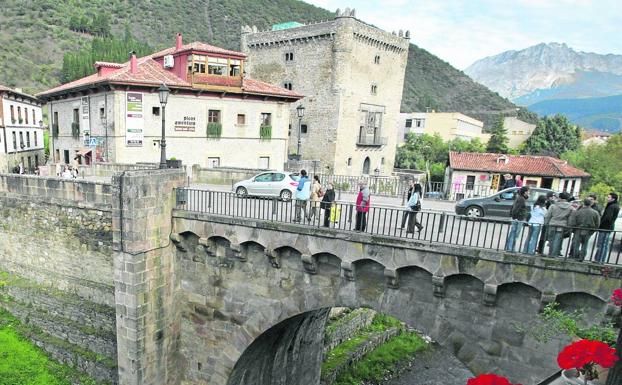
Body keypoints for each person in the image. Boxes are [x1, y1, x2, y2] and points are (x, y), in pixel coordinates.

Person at [544, 192, 574, 257]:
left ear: (560, 198)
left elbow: (548, 216)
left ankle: (550, 253)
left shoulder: (553, 206)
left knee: (551, 239)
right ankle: (554, 254)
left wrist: (546, 223)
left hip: (552, 224)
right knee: (558, 240)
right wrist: (568, 226)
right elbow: (570, 218)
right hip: (562, 225)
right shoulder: (570, 208)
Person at [594, 192, 620, 263]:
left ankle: (599, 260)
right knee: (604, 244)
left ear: (613, 199)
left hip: (605, 227)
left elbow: (608, 218)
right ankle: (600, 259)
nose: (607, 198)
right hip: (608, 227)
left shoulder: (612, 206)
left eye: (608, 197)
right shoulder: (614, 205)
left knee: (602, 244)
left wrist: (601, 223)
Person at [505, 186, 530, 252]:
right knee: (515, 234)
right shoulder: (521, 199)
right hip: (518, 219)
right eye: (528, 191)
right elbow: (515, 209)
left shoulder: (520, 198)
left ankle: (510, 248)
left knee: (513, 233)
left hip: (518, 218)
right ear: (525, 192)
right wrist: (515, 218)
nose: (529, 192)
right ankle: (510, 248)